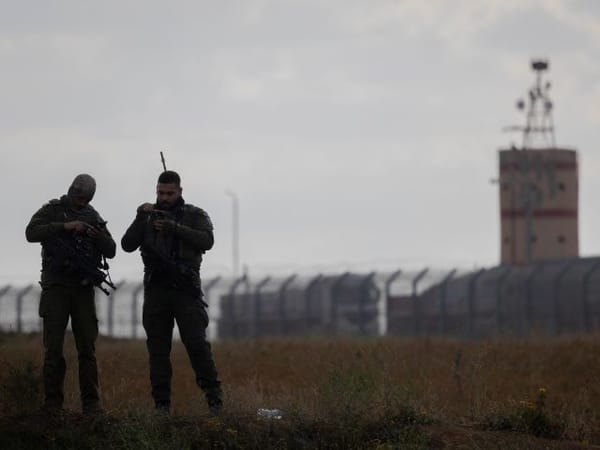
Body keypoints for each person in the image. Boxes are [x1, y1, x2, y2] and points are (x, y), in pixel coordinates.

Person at [121, 170, 222, 415]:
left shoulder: (194, 215)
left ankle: (215, 401)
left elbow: (207, 240)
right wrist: (139, 217)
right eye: (160, 193)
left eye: (169, 193)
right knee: (157, 351)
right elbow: (126, 245)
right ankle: (162, 406)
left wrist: (174, 228)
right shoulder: (147, 216)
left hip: (186, 292)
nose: (164, 198)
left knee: (197, 345)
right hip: (157, 292)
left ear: (179, 192)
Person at [25, 174, 116, 415]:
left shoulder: (94, 217)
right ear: (71, 191)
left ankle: (92, 404)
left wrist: (98, 236)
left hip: (82, 290)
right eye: (77, 196)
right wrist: (65, 227)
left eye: (85, 198)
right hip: (56, 287)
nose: (80, 201)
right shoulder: (53, 210)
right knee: (53, 348)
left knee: (87, 348)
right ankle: (53, 404)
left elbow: (112, 250)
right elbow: (31, 232)